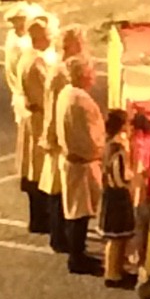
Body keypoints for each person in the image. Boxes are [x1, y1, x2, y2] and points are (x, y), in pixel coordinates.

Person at [39, 25, 89, 257]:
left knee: (61, 188)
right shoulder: (61, 73)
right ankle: (60, 236)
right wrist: (52, 137)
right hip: (61, 138)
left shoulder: (62, 69)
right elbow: (54, 108)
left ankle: (61, 235)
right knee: (60, 189)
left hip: (60, 135)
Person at [56, 56, 105, 275]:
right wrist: (100, 152)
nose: (93, 76)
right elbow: (87, 135)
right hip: (81, 163)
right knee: (79, 211)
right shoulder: (79, 101)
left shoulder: (67, 94)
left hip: (73, 160)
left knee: (78, 209)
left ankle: (78, 252)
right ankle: (77, 257)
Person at [15, 10, 55, 234]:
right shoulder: (36, 62)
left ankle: (39, 218)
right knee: (39, 170)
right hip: (39, 121)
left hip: (32, 119)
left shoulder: (27, 58)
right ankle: (41, 219)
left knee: (34, 169)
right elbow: (46, 96)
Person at [99, 109, 137, 289]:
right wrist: (136, 177)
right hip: (117, 197)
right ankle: (113, 274)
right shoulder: (117, 149)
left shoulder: (108, 144)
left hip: (110, 195)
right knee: (116, 238)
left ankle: (115, 270)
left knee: (116, 238)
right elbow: (120, 178)